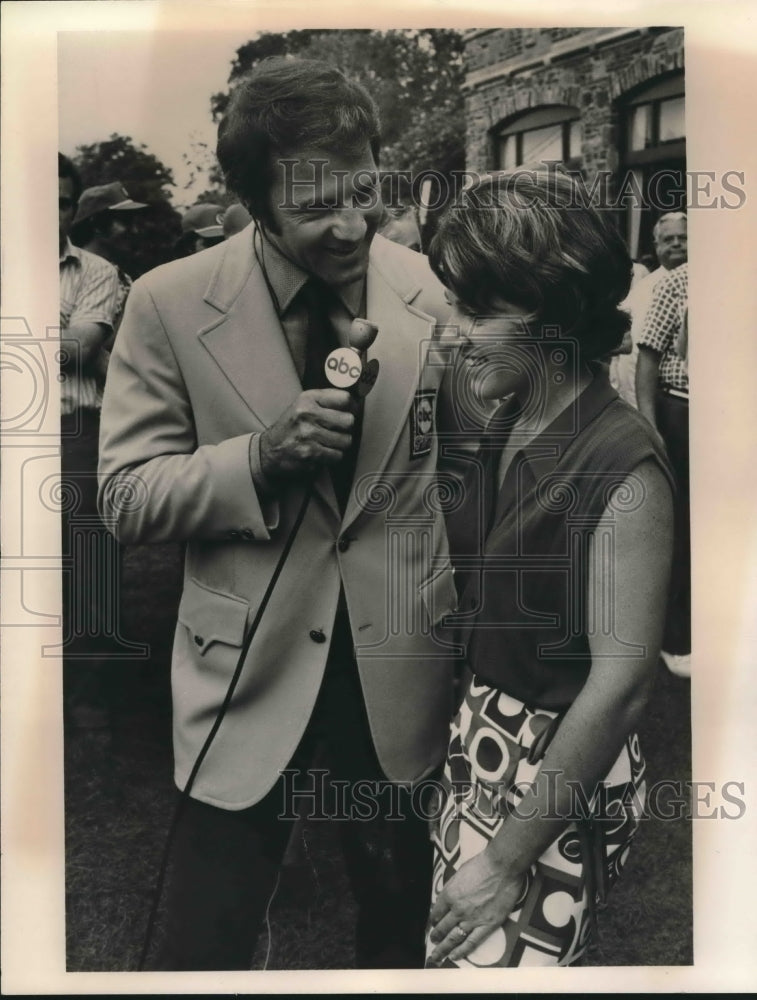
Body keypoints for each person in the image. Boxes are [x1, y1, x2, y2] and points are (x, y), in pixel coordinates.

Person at [97, 57, 457, 970]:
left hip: (400, 664)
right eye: (313, 207)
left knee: (400, 923)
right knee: (203, 941)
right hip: (242, 675)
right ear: (253, 202)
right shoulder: (167, 303)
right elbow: (125, 497)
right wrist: (256, 460)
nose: (351, 225)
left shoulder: (429, 289)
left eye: (364, 192)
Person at [424, 170, 674, 968]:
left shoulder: (622, 464)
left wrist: (504, 862)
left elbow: (621, 685)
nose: (449, 330)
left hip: (556, 770)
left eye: (472, 308)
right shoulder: (507, 418)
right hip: (480, 744)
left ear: (543, 307)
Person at [58, 154, 124, 728]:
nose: (49, 217)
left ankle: (89, 696)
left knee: (89, 562)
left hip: (74, 430)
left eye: (60, 205)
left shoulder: (95, 271)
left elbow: (81, 349)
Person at [636, 261, 690, 678]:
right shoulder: (679, 282)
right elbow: (648, 356)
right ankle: (676, 637)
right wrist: (652, 428)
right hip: (683, 409)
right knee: (683, 524)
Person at [609, 211, 687, 407]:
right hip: (634, 400)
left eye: (683, 237)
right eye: (668, 239)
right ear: (657, 246)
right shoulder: (642, 288)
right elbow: (623, 348)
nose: (676, 243)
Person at [70, 180, 148, 340]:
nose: (134, 230)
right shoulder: (70, 274)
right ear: (98, 224)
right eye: (126, 221)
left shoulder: (123, 277)